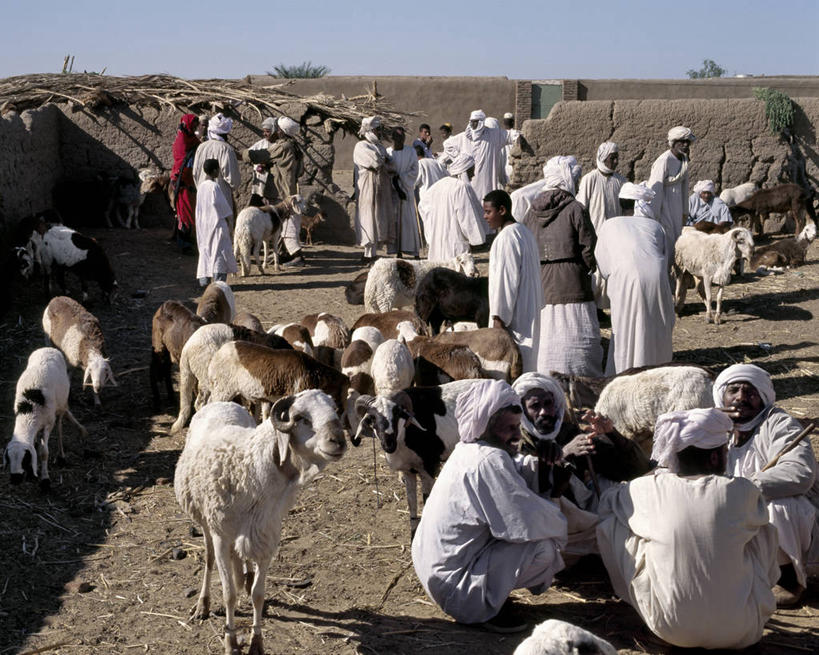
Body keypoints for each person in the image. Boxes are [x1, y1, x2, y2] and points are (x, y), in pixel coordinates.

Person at [596, 408, 779, 649]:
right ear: (714, 457)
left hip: (669, 628)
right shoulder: (741, 490)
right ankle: (751, 601)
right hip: (742, 630)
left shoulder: (646, 489)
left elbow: (608, 500)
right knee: (762, 529)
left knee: (614, 522)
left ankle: (648, 603)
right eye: (724, 451)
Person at [411, 379, 568, 632]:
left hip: (437, 575)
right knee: (545, 547)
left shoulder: (468, 448)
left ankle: (490, 591)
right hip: (456, 590)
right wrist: (554, 498)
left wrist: (541, 465)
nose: (518, 435)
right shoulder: (488, 460)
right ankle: (484, 607)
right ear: (486, 426)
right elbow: (524, 522)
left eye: (518, 427)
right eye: (509, 428)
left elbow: (515, 467)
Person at [714, 364, 819, 606]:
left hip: (786, 514)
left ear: (763, 397)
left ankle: (790, 580)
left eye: (750, 392)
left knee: (780, 507)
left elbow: (799, 473)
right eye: (734, 390)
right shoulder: (714, 427)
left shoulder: (780, 424)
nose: (741, 398)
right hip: (730, 509)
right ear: (722, 395)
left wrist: (742, 489)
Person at [511, 373, 651, 513]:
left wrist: (612, 433)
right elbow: (536, 494)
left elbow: (637, 471)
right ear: (523, 411)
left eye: (548, 403)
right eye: (535, 406)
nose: (544, 412)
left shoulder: (570, 434)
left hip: (585, 519)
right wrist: (564, 455)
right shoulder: (517, 446)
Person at [524, 156, 602, 376]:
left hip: (542, 283)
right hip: (573, 281)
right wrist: (587, 268)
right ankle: (581, 375)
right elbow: (588, 246)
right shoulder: (576, 208)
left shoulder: (530, 212)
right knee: (577, 332)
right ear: (567, 178)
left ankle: (548, 374)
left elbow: (526, 245)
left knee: (548, 333)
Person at [594, 183, 675, 374]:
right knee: (655, 325)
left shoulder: (609, 224)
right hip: (657, 281)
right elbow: (666, 258)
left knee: (626, 327)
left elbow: (603, 264)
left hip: (625, 281)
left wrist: (615, 277)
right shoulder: (656, 226)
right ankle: (657, 370)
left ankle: (625, 371)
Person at [483, 190, 542, 372]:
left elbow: (505, 283)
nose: (485, 217)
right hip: (529, 311)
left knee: (514, 368)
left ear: (502, 210)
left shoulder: (507, 238)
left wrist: (498, 320)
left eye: (488, 212)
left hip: (515, 319)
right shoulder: (525, 232)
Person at [243, 116, 305, 266]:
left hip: (282, 193)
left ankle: (297, 256)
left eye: (278, 129)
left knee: (286, 226)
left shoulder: (283, 147)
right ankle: (283, 254)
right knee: (282, 225)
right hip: (289, 190)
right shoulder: (295, 147)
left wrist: (243, 154)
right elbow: (300, 171)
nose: (275, 131)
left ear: (282, 132)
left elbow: (262, 155)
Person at [576, 142, 626, 309]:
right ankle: (593, 307)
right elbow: (581, 206)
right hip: (595, 233)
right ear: (603, 158)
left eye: (617, 158)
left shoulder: (620, 181)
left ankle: (604, 306)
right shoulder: (590, 179)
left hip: (615, 235)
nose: (616, 161)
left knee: (610, 271)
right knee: (595, 272)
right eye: (612, 158)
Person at [417, 153, 485, 260]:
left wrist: (430, 234)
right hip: (455, 245)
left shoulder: (437, 186)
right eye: (472, 170)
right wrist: (475, 238)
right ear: (465, 171)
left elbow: (422, 206)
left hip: (437, 245)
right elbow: (467, 218)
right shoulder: (461, 187)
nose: (473, 175)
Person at [648, 126, 695, 266]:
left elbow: (685, 187)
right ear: (673, 143)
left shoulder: (683, 161)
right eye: (682, 142)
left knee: (676, 240)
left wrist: (685, 212)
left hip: (677, 208)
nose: (685, 145)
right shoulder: (664, 160)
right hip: (664, 207)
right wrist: (654, 215)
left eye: (687, 142)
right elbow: (655, 188)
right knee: (665, 241)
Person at [446, 110, 513, 200]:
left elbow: (511, 135)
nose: (473, 124)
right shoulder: (464, 137)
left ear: (481, 122)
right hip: (470, 178)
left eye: (475, 122)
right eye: (471, 122)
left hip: (487, 179)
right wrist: (461, 160)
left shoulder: (493, 135)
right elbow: (447, 144)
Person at [353, 116, 394, 263]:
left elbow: (390, 165)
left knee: (378, 218)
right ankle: (368, 254)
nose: (379, 132)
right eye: (376, 129)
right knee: (368, 217)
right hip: (367, 187)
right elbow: (376, 162)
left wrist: (384, 161)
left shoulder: (380, 147)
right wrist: (384, 160)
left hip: (381, 186)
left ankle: (373, 252)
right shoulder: (361, 146)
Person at [195, 158, 237, 287]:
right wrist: (230, 220)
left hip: (203, 224)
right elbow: (221, 205)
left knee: (205, 250)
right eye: (218, 169)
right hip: (216, 223)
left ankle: (204, 281)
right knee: (219, 251)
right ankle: (219, 282)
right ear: (214, 171)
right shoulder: (214, 186)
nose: (219, 171)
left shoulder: (201, 186)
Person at [192, 113, 241, 221]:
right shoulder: (226, 149)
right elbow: (233, 179)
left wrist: (201, 188)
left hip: (203, 196)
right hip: (222, 197)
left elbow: (195, 173)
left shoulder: (201, 148)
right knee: (222, 229)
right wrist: (231, 189)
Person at [386, 127, 421, 258]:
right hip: (393, 192)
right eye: (397, 137)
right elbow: (387, 171)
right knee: (395, 221)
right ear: (392, 138)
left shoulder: (411, 151)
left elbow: (414, 170)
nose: (400, 140)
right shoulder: (388, 152)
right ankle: (398, 251)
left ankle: (414, 251)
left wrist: (401, 178)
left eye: (402, 138)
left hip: (407, 191)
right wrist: (395, 184)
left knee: (409, 220)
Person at [170, 113, 200, 253]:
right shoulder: (182, 139)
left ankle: (188, 239)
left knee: (190, 210)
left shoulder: (191, 138)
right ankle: (184, 243)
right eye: (193, 123)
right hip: (182, 181)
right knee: (184, 212)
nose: (195, 126)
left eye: (196, 123)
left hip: (190, 181)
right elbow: (182, 160)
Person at [501, 112, 520, 185]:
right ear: (513, 122)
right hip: (512, 165)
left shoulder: (500, 134)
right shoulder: (517, 133)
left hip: (503, 166)